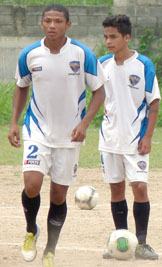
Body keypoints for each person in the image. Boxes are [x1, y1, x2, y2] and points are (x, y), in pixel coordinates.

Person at [7, 4, 107, 267]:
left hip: (70, 135)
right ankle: (31, 231)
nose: (52, 25)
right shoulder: (29, 54)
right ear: (42, 24)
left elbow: (99, 91)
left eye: (58, 21)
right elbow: (21, 87)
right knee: (31, 184)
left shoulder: (82, 54)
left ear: (68, 25)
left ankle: (50, 249)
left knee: (59, 196)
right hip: (36, 130)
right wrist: (13, 123)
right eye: (48, 21)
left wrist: (85, 123)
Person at [98, 14, 160, 260]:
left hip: (136, 139)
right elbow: (96, 96)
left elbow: (153, 102)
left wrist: (149, 136)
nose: (108, 41)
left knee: (140, 187)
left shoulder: (144, 64)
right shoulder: (102, 64)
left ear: (126, 37)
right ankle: (121, 241)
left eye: (113, 37)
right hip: (109, 139)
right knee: (116, 190)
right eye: (105, 37)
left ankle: (142, 243)